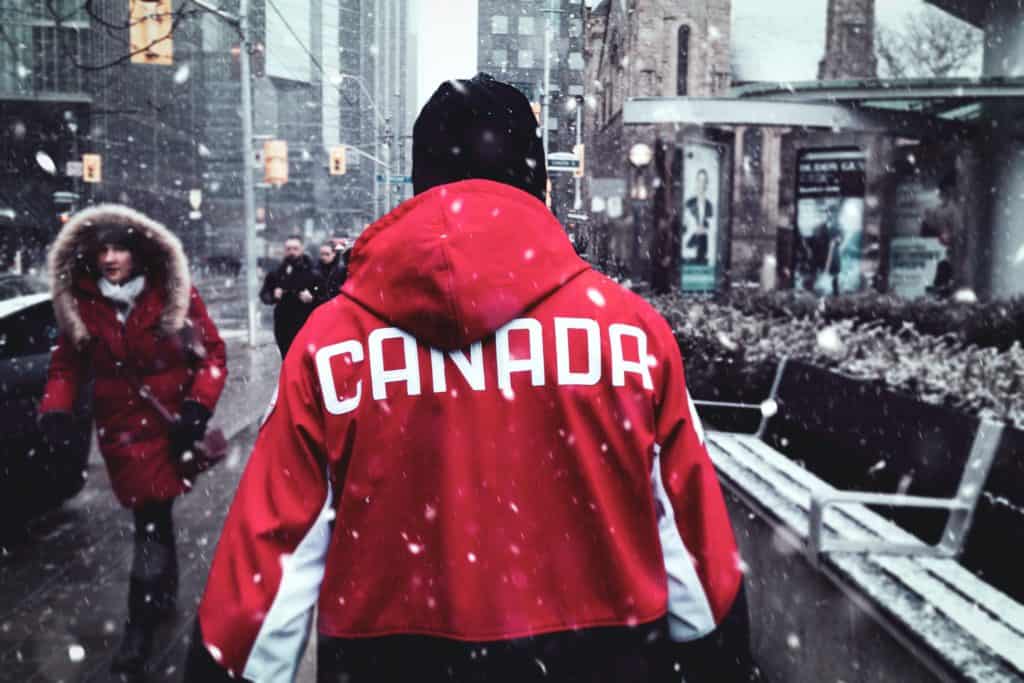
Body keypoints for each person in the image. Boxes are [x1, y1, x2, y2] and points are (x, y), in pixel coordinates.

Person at [185, 74, 752, 682]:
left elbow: (265, 582)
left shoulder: (330, 346)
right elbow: (698, 566)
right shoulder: (632, 337)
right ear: (540, 183)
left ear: (418, 185)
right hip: (602, 658)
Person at [38, 204, 227, 676]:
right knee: (152, 516)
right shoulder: (81, 301)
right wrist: (56, 410)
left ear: (139, 253)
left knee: (150, 518)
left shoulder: (172, 294)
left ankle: (140, 625)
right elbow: (66, 364)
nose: (110, 258)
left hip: (168, 429)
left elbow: (213, 354)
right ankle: (162, 596)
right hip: (120, 431)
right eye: (102, 249)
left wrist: (197, 408)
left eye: (119, 247)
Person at [259, 235, 322, 357]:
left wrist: (312, 298)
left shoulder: (313, 272)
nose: (291, 252)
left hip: (305, 323)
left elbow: (325, 297)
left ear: (302, 249)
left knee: (304, 358)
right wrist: (273, 295)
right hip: (283, 323)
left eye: (295, 248)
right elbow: (264, 294)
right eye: (288, 249)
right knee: (287, 357)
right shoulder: (277, 272)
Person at [682, 169, 713, 265]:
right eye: (699, 181)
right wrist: (694, 229)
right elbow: (684, 227)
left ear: (706, 184)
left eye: (704, 181)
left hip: (704, 248)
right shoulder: (689, 203)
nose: (701, 184)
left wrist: (704, 229)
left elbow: (711, 227)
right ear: (696, 182)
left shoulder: (709, 205)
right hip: (690, 247)